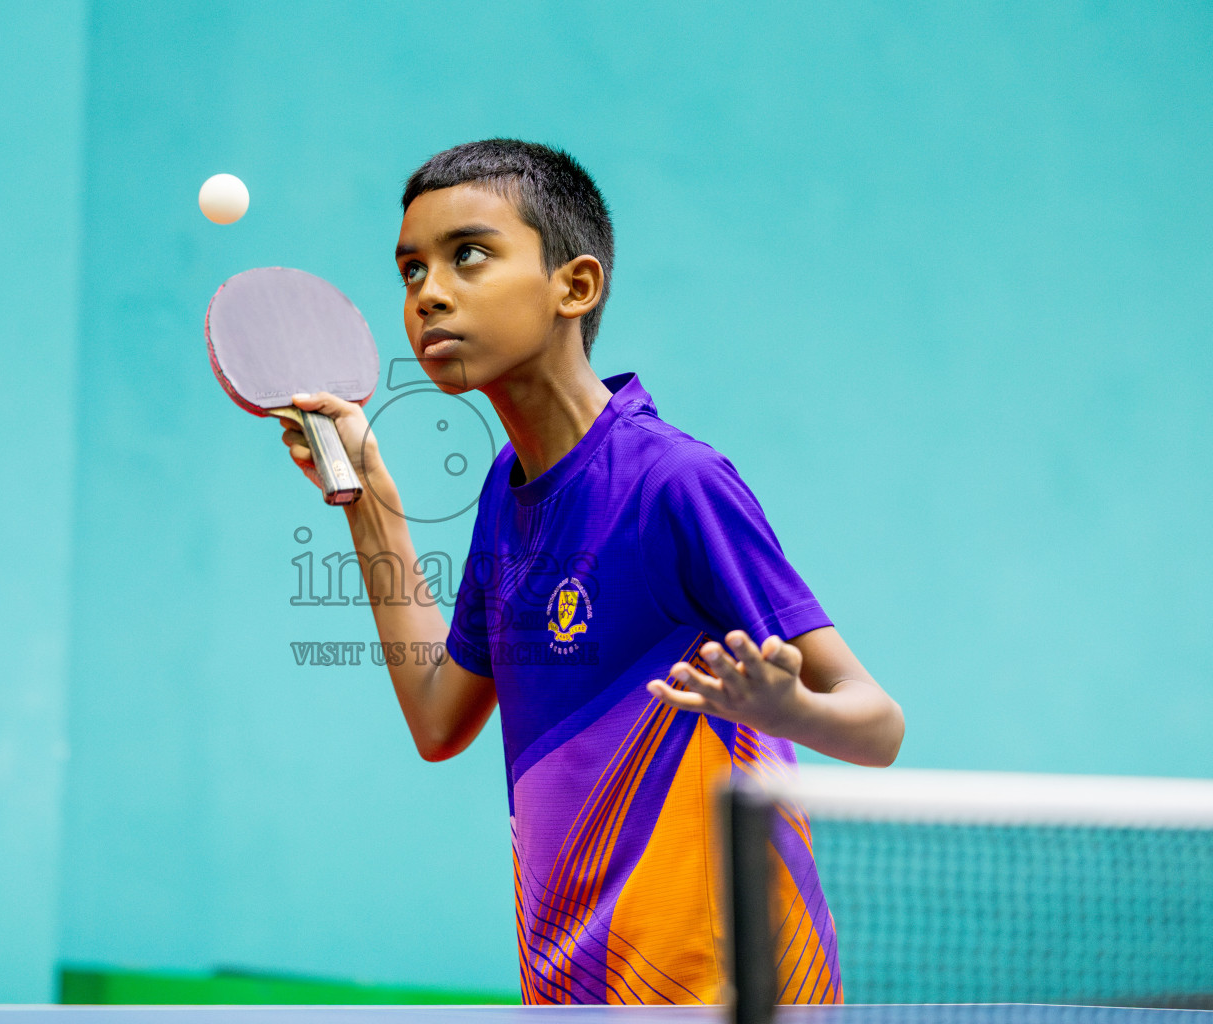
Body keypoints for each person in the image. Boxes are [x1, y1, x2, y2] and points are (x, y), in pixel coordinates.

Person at [276, 139, 904, 1006]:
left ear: (575, 286)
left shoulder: (672, 484)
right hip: (573, 988)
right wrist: (369, 498)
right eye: (411, 270)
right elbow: (437, 720)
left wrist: (784, 707)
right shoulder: (507, 491)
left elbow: (877, 727)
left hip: (721, 989)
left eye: (469, 255)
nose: (429, 294)